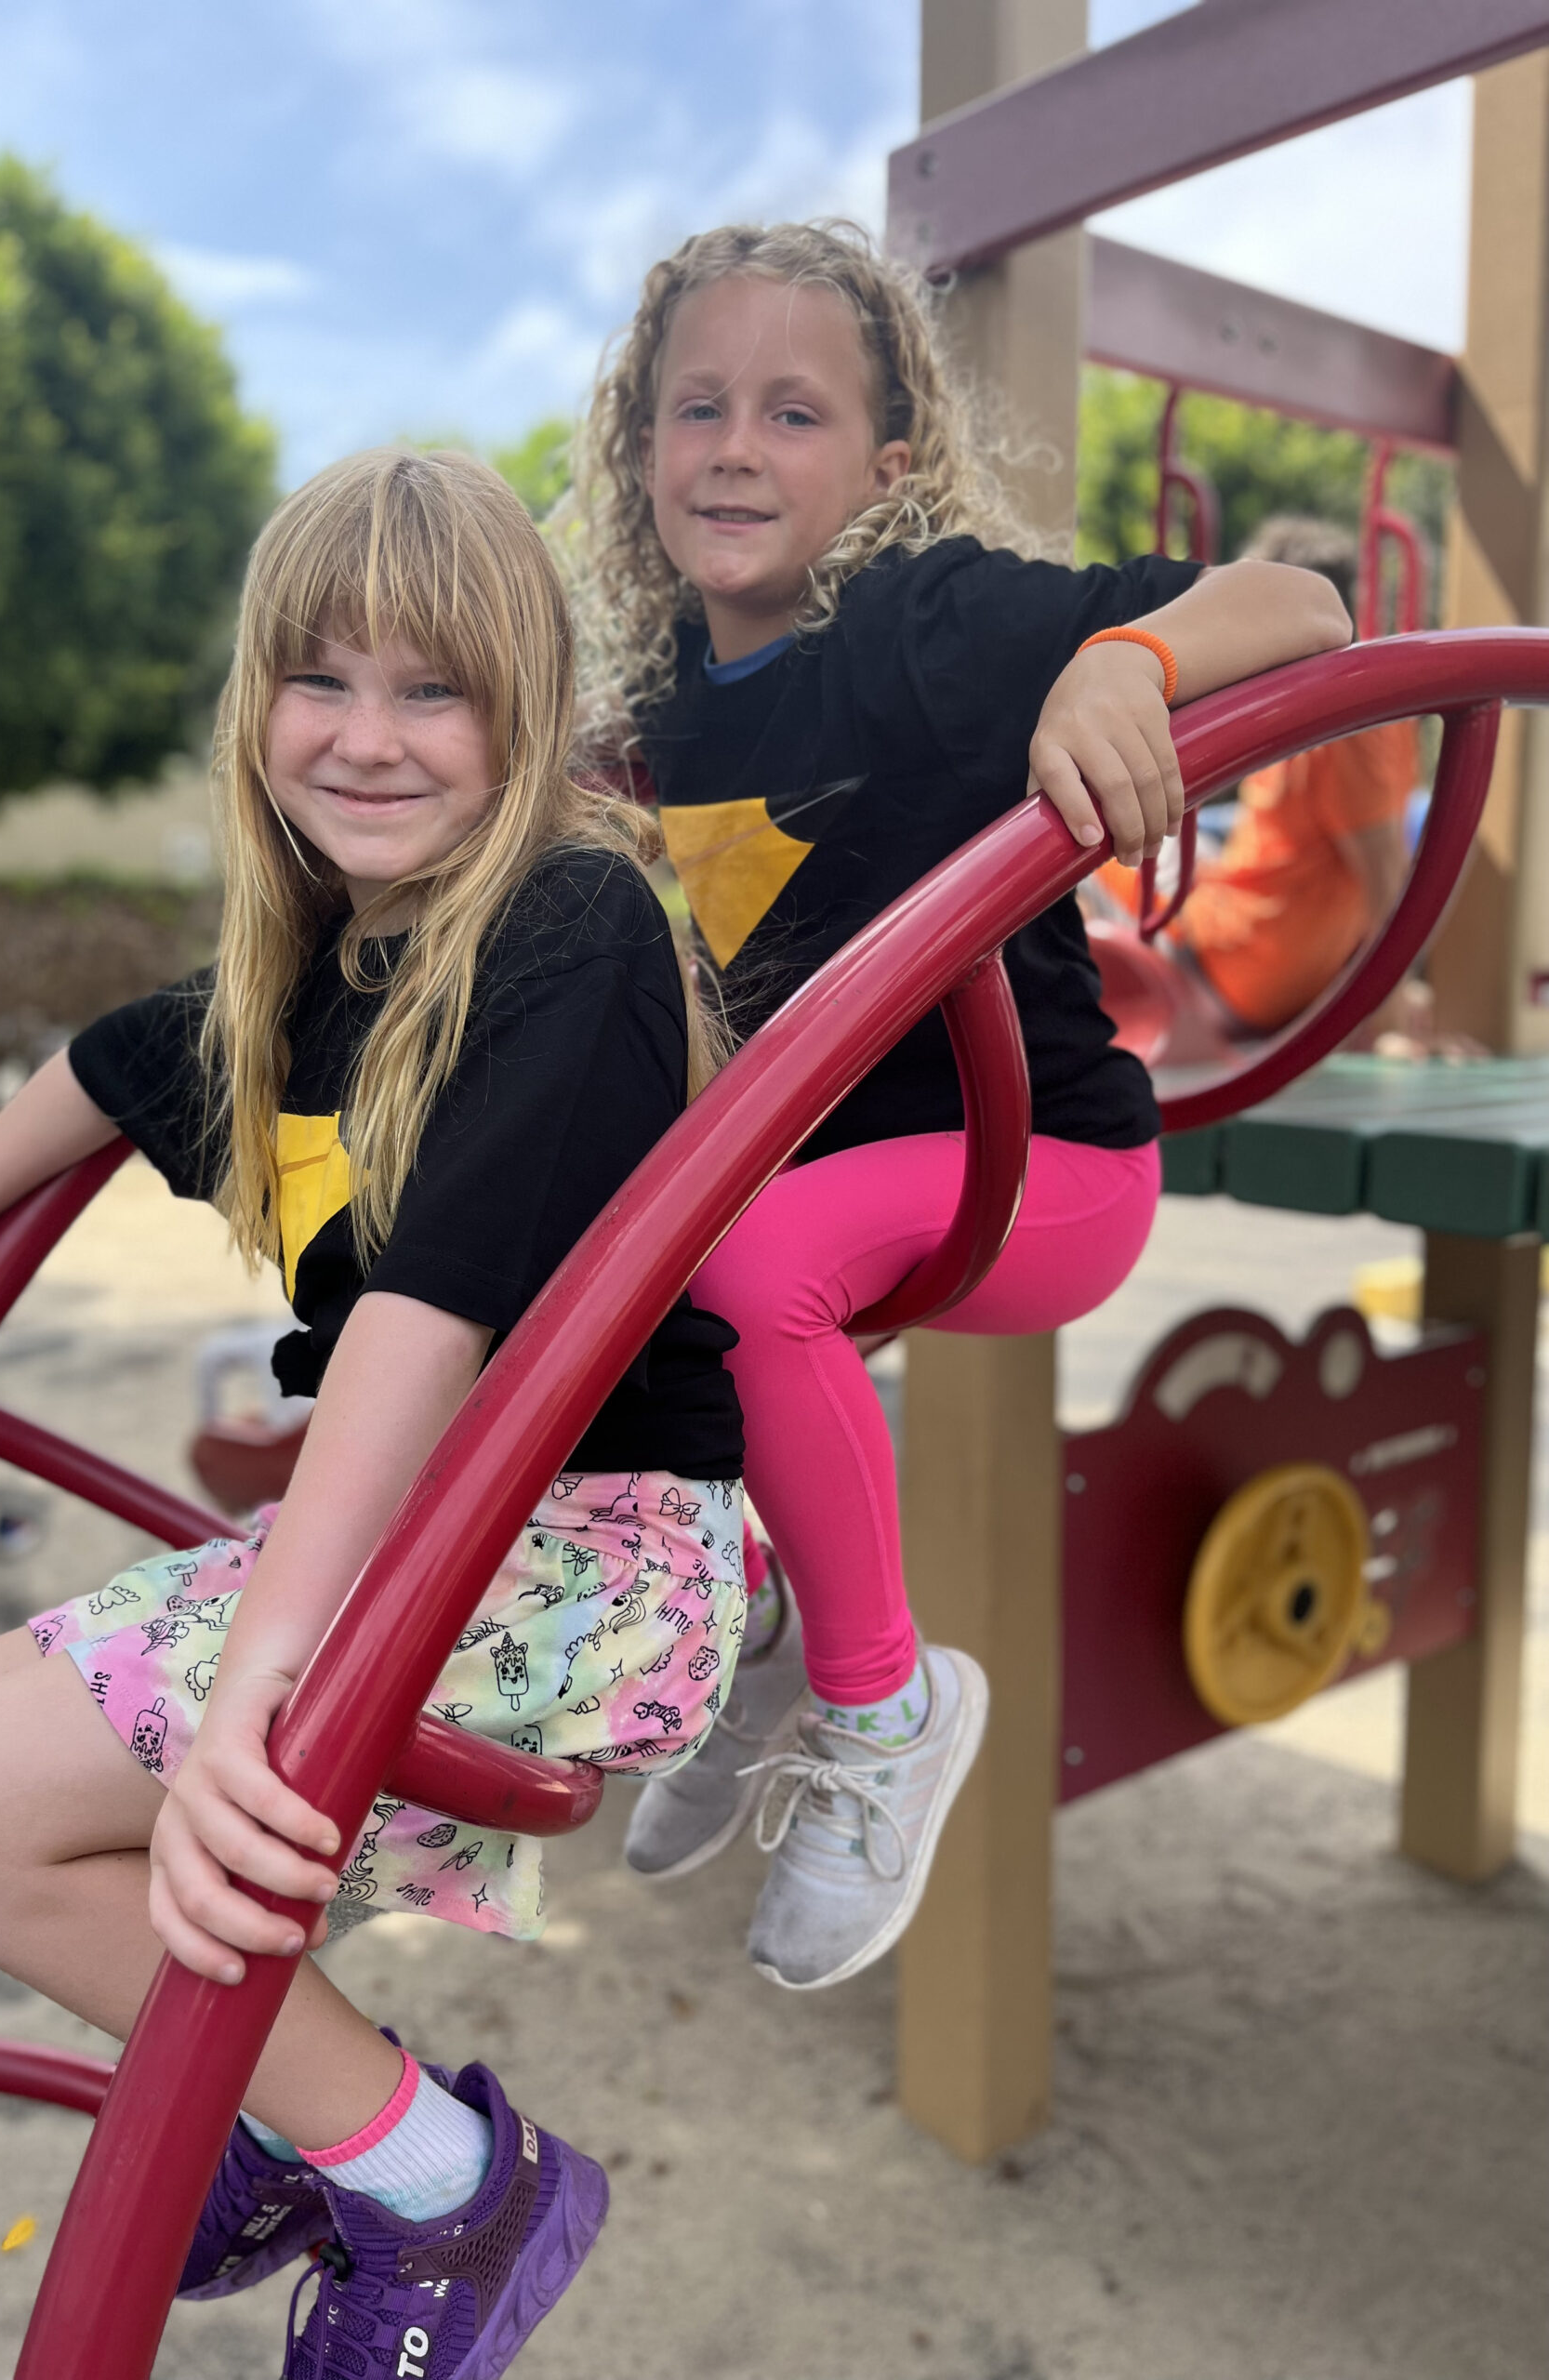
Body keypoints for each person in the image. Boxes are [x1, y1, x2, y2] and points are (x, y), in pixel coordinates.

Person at [0, 449, 748, 2374]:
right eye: (317, 679)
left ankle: (442, 2183)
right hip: (433, 1526)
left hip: (587, 1539)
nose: (366, 737)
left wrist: (274, 1660)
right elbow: (110, 1063)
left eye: (434, 689)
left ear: (526, 712)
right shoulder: (314, 965)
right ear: (256, 700)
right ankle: (296, 2130)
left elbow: (432, 1319)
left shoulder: (567, 928)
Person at [568, 219, 1350, 1993]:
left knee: (735, 1260)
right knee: (597, 1258)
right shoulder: (653, 711)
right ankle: (750, 1621)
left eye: (794, 413)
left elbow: (1310, 610)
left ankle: (889, 1704)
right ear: (638, 454)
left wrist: (1124, 662)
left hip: (1043, 1167)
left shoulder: (928, 621)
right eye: (697, 410)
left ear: (885, 468)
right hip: (824, 1198)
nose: (738, 449)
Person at [1098, 516, 1418, 1034]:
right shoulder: (1375, 711)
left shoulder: (1348, 729)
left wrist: (1393, 1023)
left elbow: (1386, 883)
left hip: (1235, 962)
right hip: (1263, 949)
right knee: (1189, 842)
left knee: (1079, 841)